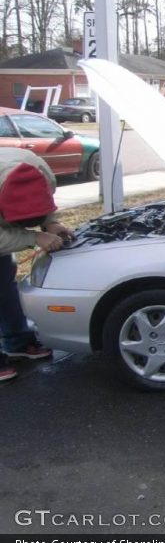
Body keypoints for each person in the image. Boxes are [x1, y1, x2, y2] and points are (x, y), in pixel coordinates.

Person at [0, 147, 74, 382]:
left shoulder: (39, 169)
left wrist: (50, 223)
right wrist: (34, 237)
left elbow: (45, 198)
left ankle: (17, 342)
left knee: (4, 285)